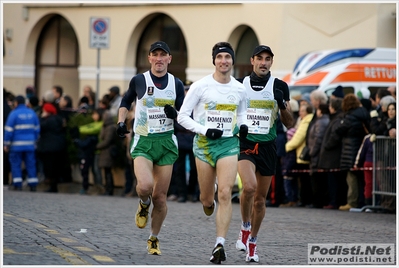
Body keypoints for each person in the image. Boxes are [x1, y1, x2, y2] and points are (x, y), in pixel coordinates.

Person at [177, 41, 247, 264]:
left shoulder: (239, 88)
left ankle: (220, 244)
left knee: (226, 192)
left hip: (228, 144)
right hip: (205, 146)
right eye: (220, 57)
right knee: (207, 199)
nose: (223, 61)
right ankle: (209, 201)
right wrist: (205, 129)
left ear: (232, 61)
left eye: (227, 57)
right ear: (214, 61)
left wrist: (243, 125)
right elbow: (182, 117)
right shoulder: (201, 86)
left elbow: (242, 113)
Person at [116, 41, 185, 255]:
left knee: (161, 197)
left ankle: (153, 238)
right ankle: (143, 203)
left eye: (163, 55)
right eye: (155, 55)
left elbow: (185, 115)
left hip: (166, 142)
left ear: (169, 59)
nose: (159, 59)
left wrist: (177, 116)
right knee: (145, 186)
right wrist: (120, 122)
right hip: (144, 140)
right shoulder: (139, 80)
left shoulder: (177, 84)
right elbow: (126, 101)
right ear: (149, 58)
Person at [233, 45, 295, 262]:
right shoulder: (240, 84)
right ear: (252, 60)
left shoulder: (280, 86)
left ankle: (253, 241)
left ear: (271, 62)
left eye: (268, 59)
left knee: (260, 200)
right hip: (245, 143)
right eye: (260, 58)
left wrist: (282, 104)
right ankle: (244, 226)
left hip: (268, 147)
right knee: (248, 187)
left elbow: (289, 123)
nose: (263, 63)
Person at [334, 94, 370, 211]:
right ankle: (360, 200)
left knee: (351, 177)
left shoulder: (350, 116)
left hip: (350, 148)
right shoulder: (363, 113)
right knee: (359, 177)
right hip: (360, 146)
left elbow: (339, 129)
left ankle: (352, 201)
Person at [4, 95, 40, 191]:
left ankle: (17, 184)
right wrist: (34, 141)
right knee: (31, 164)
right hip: (30, 145)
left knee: (16, 164)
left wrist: (6, 144)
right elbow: (37, 129)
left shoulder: (14, 114)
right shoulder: (32, 113)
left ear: (16, 103)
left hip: (16, 146)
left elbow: (8, 131)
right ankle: (33, 185)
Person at [318, 98, 347, 209]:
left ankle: (334, 201)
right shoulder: (335, 118)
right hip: (331, 156)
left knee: (334, 181)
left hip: (333, 156)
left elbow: (335, 136)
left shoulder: (338, 119)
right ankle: (333, 200)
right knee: (331, 180)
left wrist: (327, 145)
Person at [36, 102, 67, 193]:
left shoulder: (48, 120)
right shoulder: (59, 119)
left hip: (49, 147)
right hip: (58, 146)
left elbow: (40, 127)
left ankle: (52, 186)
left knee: (50, 167)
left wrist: (41, 118)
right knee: (55, 167)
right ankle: (54, 185)